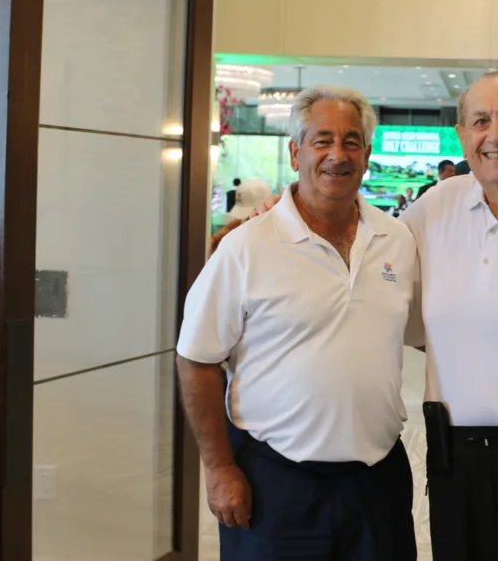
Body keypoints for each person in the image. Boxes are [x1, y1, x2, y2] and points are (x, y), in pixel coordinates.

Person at [231, 72, 498, 561]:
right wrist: (287, 210)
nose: (495, 134)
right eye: (480, 121)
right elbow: (363, 245)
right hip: (456, 463)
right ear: (462, 135)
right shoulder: (435, 208)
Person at [177, 85, 419, 561]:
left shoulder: (397, 239)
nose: (337, 155)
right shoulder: (247, 246)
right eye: (322, 140)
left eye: (351, 142)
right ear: (295, 153)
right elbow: (196, 360)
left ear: (367, 155)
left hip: (377, 480)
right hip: (274, 481)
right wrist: (218, 467)